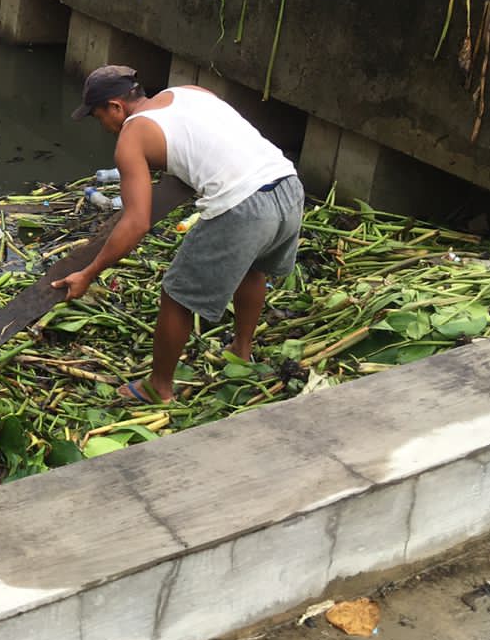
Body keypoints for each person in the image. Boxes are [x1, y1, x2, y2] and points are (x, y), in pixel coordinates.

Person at [53, 66, 304, 404]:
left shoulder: (132, 136)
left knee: (176, 295)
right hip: (288, 187)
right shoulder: (190, 92)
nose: (105, 127)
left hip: (243, 209)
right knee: (252, 268)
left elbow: (136, 222)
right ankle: (241, 351)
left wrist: (88, 273)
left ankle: (158, 387)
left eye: (100, 118)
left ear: (116, 106)